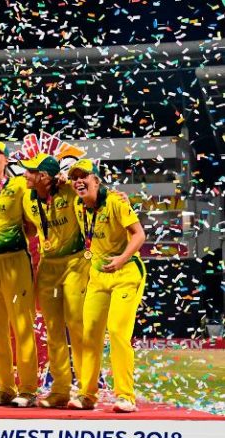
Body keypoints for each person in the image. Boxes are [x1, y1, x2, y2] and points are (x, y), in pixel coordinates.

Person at [66, 159, 146, 412]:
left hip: (126, 272)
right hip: (98, 276)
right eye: (74, 177)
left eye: (84, 176)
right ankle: (87, 395)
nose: (78, 180)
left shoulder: (115, 202)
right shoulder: (79, 204)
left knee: (118, 331)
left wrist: (122, 258)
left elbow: (139, 234)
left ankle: (126, 396)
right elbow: (56, 181)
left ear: (97, 181)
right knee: (89, 334)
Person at [20, 153, 89, 408]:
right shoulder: (28, 199)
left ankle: (85, 388)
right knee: (53, 329)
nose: (25, 174)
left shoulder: (69, 192)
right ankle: (60, 388)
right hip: (48, 266)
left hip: (75, 262)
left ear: (44, 177)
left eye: (29, 171)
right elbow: (28, 226)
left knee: (77, 325)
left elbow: (93, 193)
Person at [0, 141, 40, 408]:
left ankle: (27, 389)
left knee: (22, 326)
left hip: (15, 261)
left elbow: (33, 225)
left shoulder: (18, 187)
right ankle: (5, 387)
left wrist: (13, 241)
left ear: (5, 160)